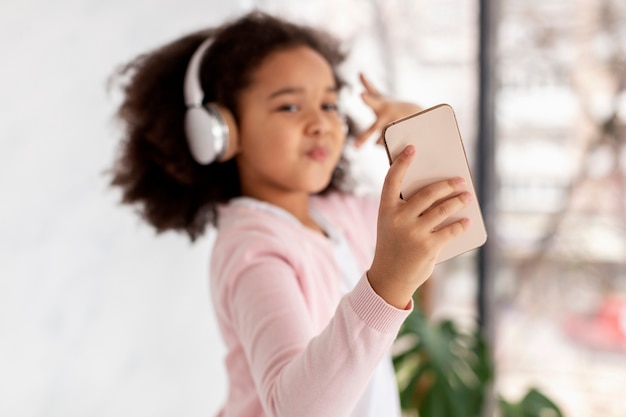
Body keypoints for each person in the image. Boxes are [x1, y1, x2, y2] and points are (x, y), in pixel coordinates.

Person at [109, 11, 473, 417]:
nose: (320, 122)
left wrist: (419, 133)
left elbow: (449, 223)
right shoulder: (252, 249)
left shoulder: (339, 217)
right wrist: (387, 284)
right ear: (224, 132)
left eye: (329, 104)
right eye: (290, 106)